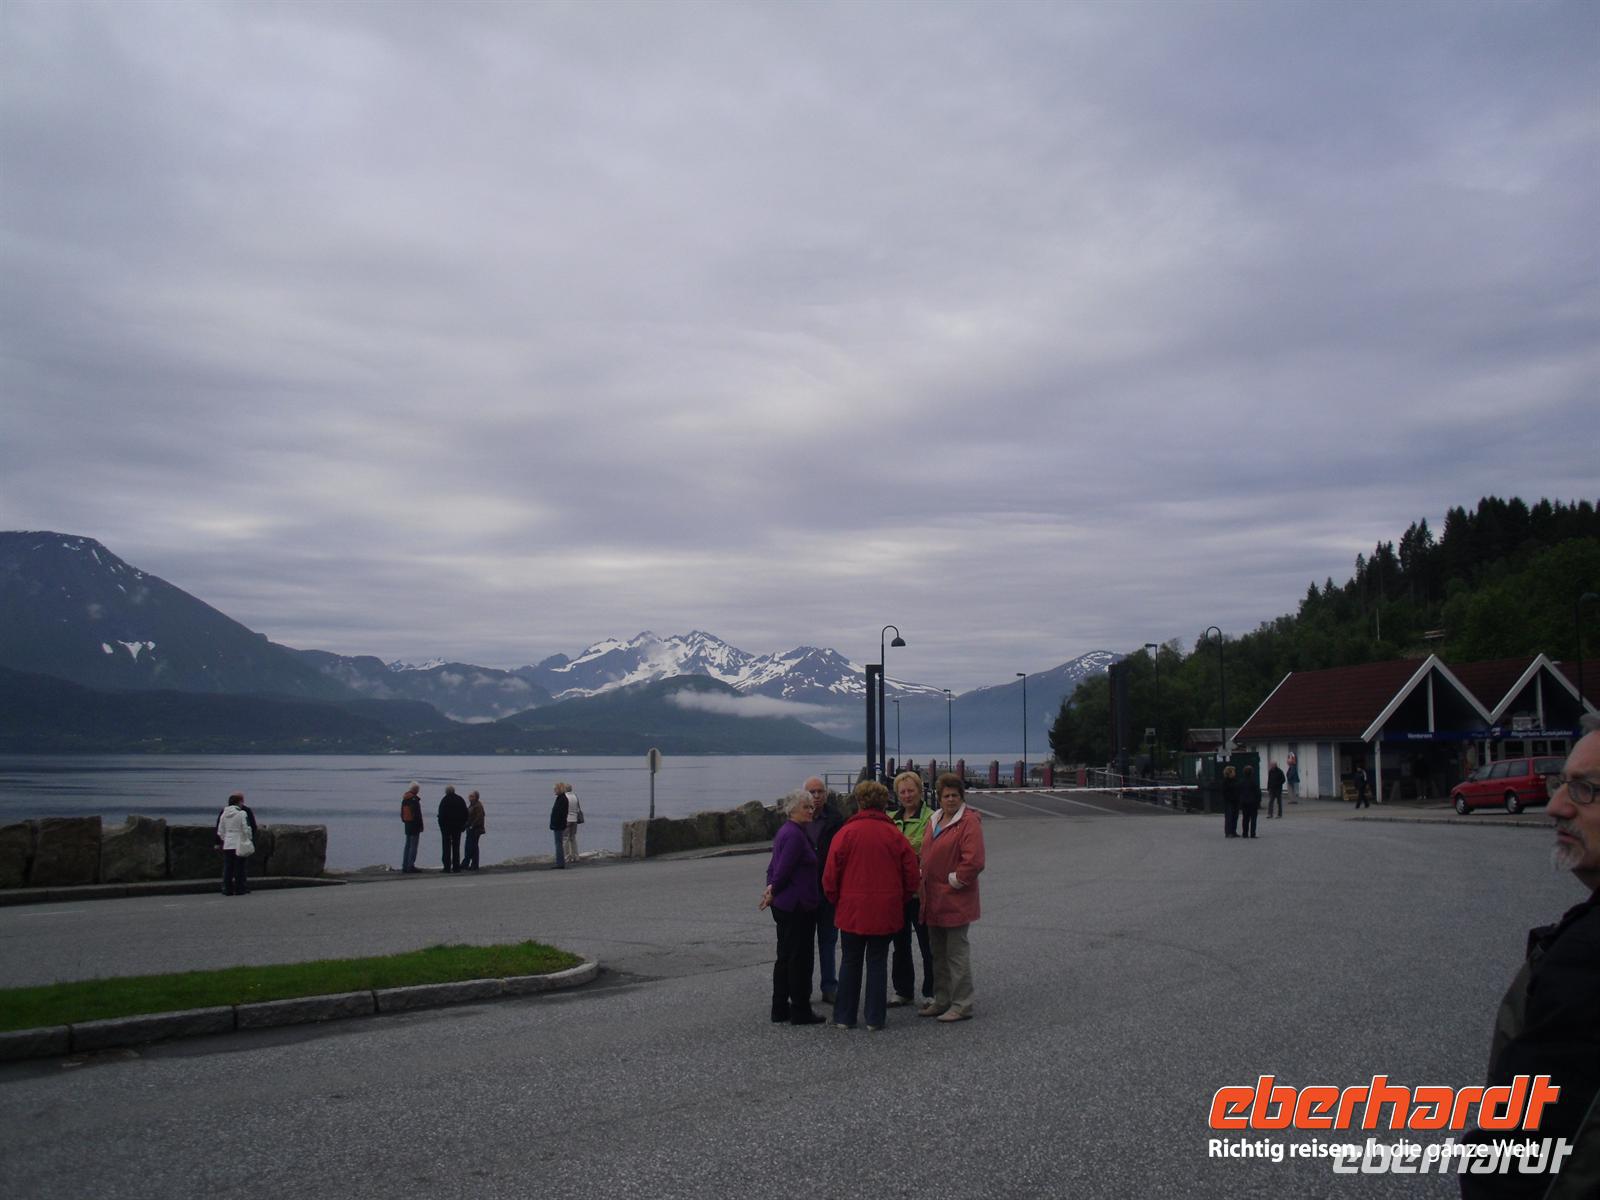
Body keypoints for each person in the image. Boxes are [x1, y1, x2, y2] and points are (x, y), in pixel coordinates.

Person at [1461, 725, 1600, 1199]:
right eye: (1562, 783)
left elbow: (1530, 1157)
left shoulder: (1585, 963)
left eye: (1585, 789)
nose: (1556, 805)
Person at [823, 780, 920, 1031]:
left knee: (850, 960)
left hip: (852, 907)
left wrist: (837, 899)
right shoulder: (894, 835)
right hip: (885, 907)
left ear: (859, 802)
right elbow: (911, 875)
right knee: (877, 960)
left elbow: (830, 874)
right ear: (884, 803)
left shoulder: (846, 833)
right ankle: (875, 1018)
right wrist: (900, 898)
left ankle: (844, 1016)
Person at [919, 773, 985, 1022]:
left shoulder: (968, 822)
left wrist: (955, 880)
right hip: (932, 898)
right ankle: (942, 999)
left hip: (955, 897)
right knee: (938, 953)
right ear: (939, 797)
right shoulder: (934, 819)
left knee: (956, 953)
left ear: (961, 797)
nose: (950, 800)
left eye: (955, 795)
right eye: (946, 795)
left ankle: (962, 1004)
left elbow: (974, 861)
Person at [758, 790, 825, 1026]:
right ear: (793, 810)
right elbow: (783, 869)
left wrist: (771, 889)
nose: (811, 810)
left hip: (785, 903)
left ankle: (779, 1007)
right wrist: (773, 889)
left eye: (811, 807)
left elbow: (773, 867)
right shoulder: (795, 835)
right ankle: (800, 1009)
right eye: (806, 807)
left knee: (785, 956)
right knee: (800, 959)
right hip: (798, 905)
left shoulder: (786, 831)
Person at [889, 769, 934, 1007]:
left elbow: (927, 850)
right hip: (897, 892)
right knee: (900, 943)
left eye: (911, 791)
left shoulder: (931, 818)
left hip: (921, 892)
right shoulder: (890, 818)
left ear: (920, 791)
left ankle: (932, 991)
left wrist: (901, 851)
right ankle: (903, 989)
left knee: (928, 943)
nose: (907, 796)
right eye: (902, 792)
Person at [803, 777, 844, 1004]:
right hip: (805, 890)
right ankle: (803, 988)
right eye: (812, 792)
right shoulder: (799, 819)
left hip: (828, 890)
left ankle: (829, 986)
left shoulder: (836, 820)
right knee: (804, 943)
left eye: (820, 791)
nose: (817, 796)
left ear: (826, 794)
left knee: (828, 940)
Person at [215, 792, 256, 897]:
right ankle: (239, 888)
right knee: (240, 867)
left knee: (228, 867)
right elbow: (246, 828)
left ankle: (227, 889)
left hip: (228, 842)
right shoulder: (242, 813)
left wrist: (225, 839)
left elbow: (220, 830)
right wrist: (248, 838)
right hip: (239, 842)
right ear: (239, 802)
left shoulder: (224, 814)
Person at [436, 785, 468, 873]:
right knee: (456, 846)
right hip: (457, 827)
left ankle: (447, 867)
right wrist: (463, 825)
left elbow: (441, 815)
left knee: (446, 847)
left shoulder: (444, 800)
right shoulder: (460, 799)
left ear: (446, 792)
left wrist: (441, 827)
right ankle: (456, 867)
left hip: (446, 828)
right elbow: (465, 814)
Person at [400, 782, 424, 873]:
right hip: (414, 825)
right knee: (413, 846)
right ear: (416, 789)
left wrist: (405, 821)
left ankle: (405, 865)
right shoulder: (414, 800)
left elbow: (402, 813)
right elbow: (417, 815)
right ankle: (410, 865)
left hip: (407, 824)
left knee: (407, 845)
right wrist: (420, 825)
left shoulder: (405, 799)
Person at [463, 790, 486, 871]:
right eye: (470, 796)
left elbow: (479, 818)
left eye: (472, 796)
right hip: (470, 829)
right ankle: (470, 864)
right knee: (471, 847)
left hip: (475, 830)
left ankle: (472, 864)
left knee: (472, 847)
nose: (470, 798)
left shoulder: (478, 806)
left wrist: (472, 826)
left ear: (476, 797)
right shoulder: (472, 805)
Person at [550, 783, 571, 868]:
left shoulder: (562, 799)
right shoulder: (561, 798)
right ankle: (560, 862)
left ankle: (560, 863)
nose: (554, 790)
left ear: (559, 789)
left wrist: (556, 823)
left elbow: (560, 813)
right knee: (559, 843)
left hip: (558, 825)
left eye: (555, 789)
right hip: (559, 824)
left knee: (558, 844)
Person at [1240, 764, 1261, 838]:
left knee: (1245, 818)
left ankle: (1245, 833)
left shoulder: (1242, 782)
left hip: (1244, 802)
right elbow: (1258, 792)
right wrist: (1258, 801)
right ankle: (1252, 833)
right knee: (1253, 818)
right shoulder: (1254, 782)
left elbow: (1239, 792)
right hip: (1253, 802)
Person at [564, 788, 583, 865]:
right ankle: (576, 856)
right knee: (573, 838)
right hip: (574, 819)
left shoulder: (565, 797)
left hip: (567, 819)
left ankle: (567, 857)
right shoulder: (575, 796)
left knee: (565, 839)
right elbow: (578, 808)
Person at [1222, 764, 1240, 837]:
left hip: (1236, 800)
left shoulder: (1236, 780)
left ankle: (1233, 831)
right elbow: (1224, 792)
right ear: (1229, 773)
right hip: (1229, 801)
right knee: (1229, 816)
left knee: (1235, 816)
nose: (1235, 773)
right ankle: (1228, 832)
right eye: (1233, 771)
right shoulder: (1225, 781)